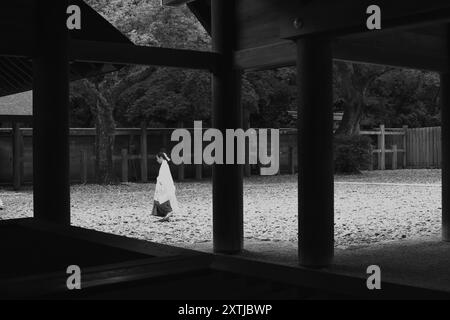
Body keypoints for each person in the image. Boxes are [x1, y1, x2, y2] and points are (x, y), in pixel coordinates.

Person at [152, 152, 179, 222]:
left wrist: (161, 183)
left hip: (164, 186)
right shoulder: (164, 164)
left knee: (161, 200)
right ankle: (167, 213)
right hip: (163, 185)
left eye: (157, 158)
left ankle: (168, 212)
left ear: (161, 158)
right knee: (161, 199)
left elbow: (164, 176)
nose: (157, 160)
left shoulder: (164, 165)